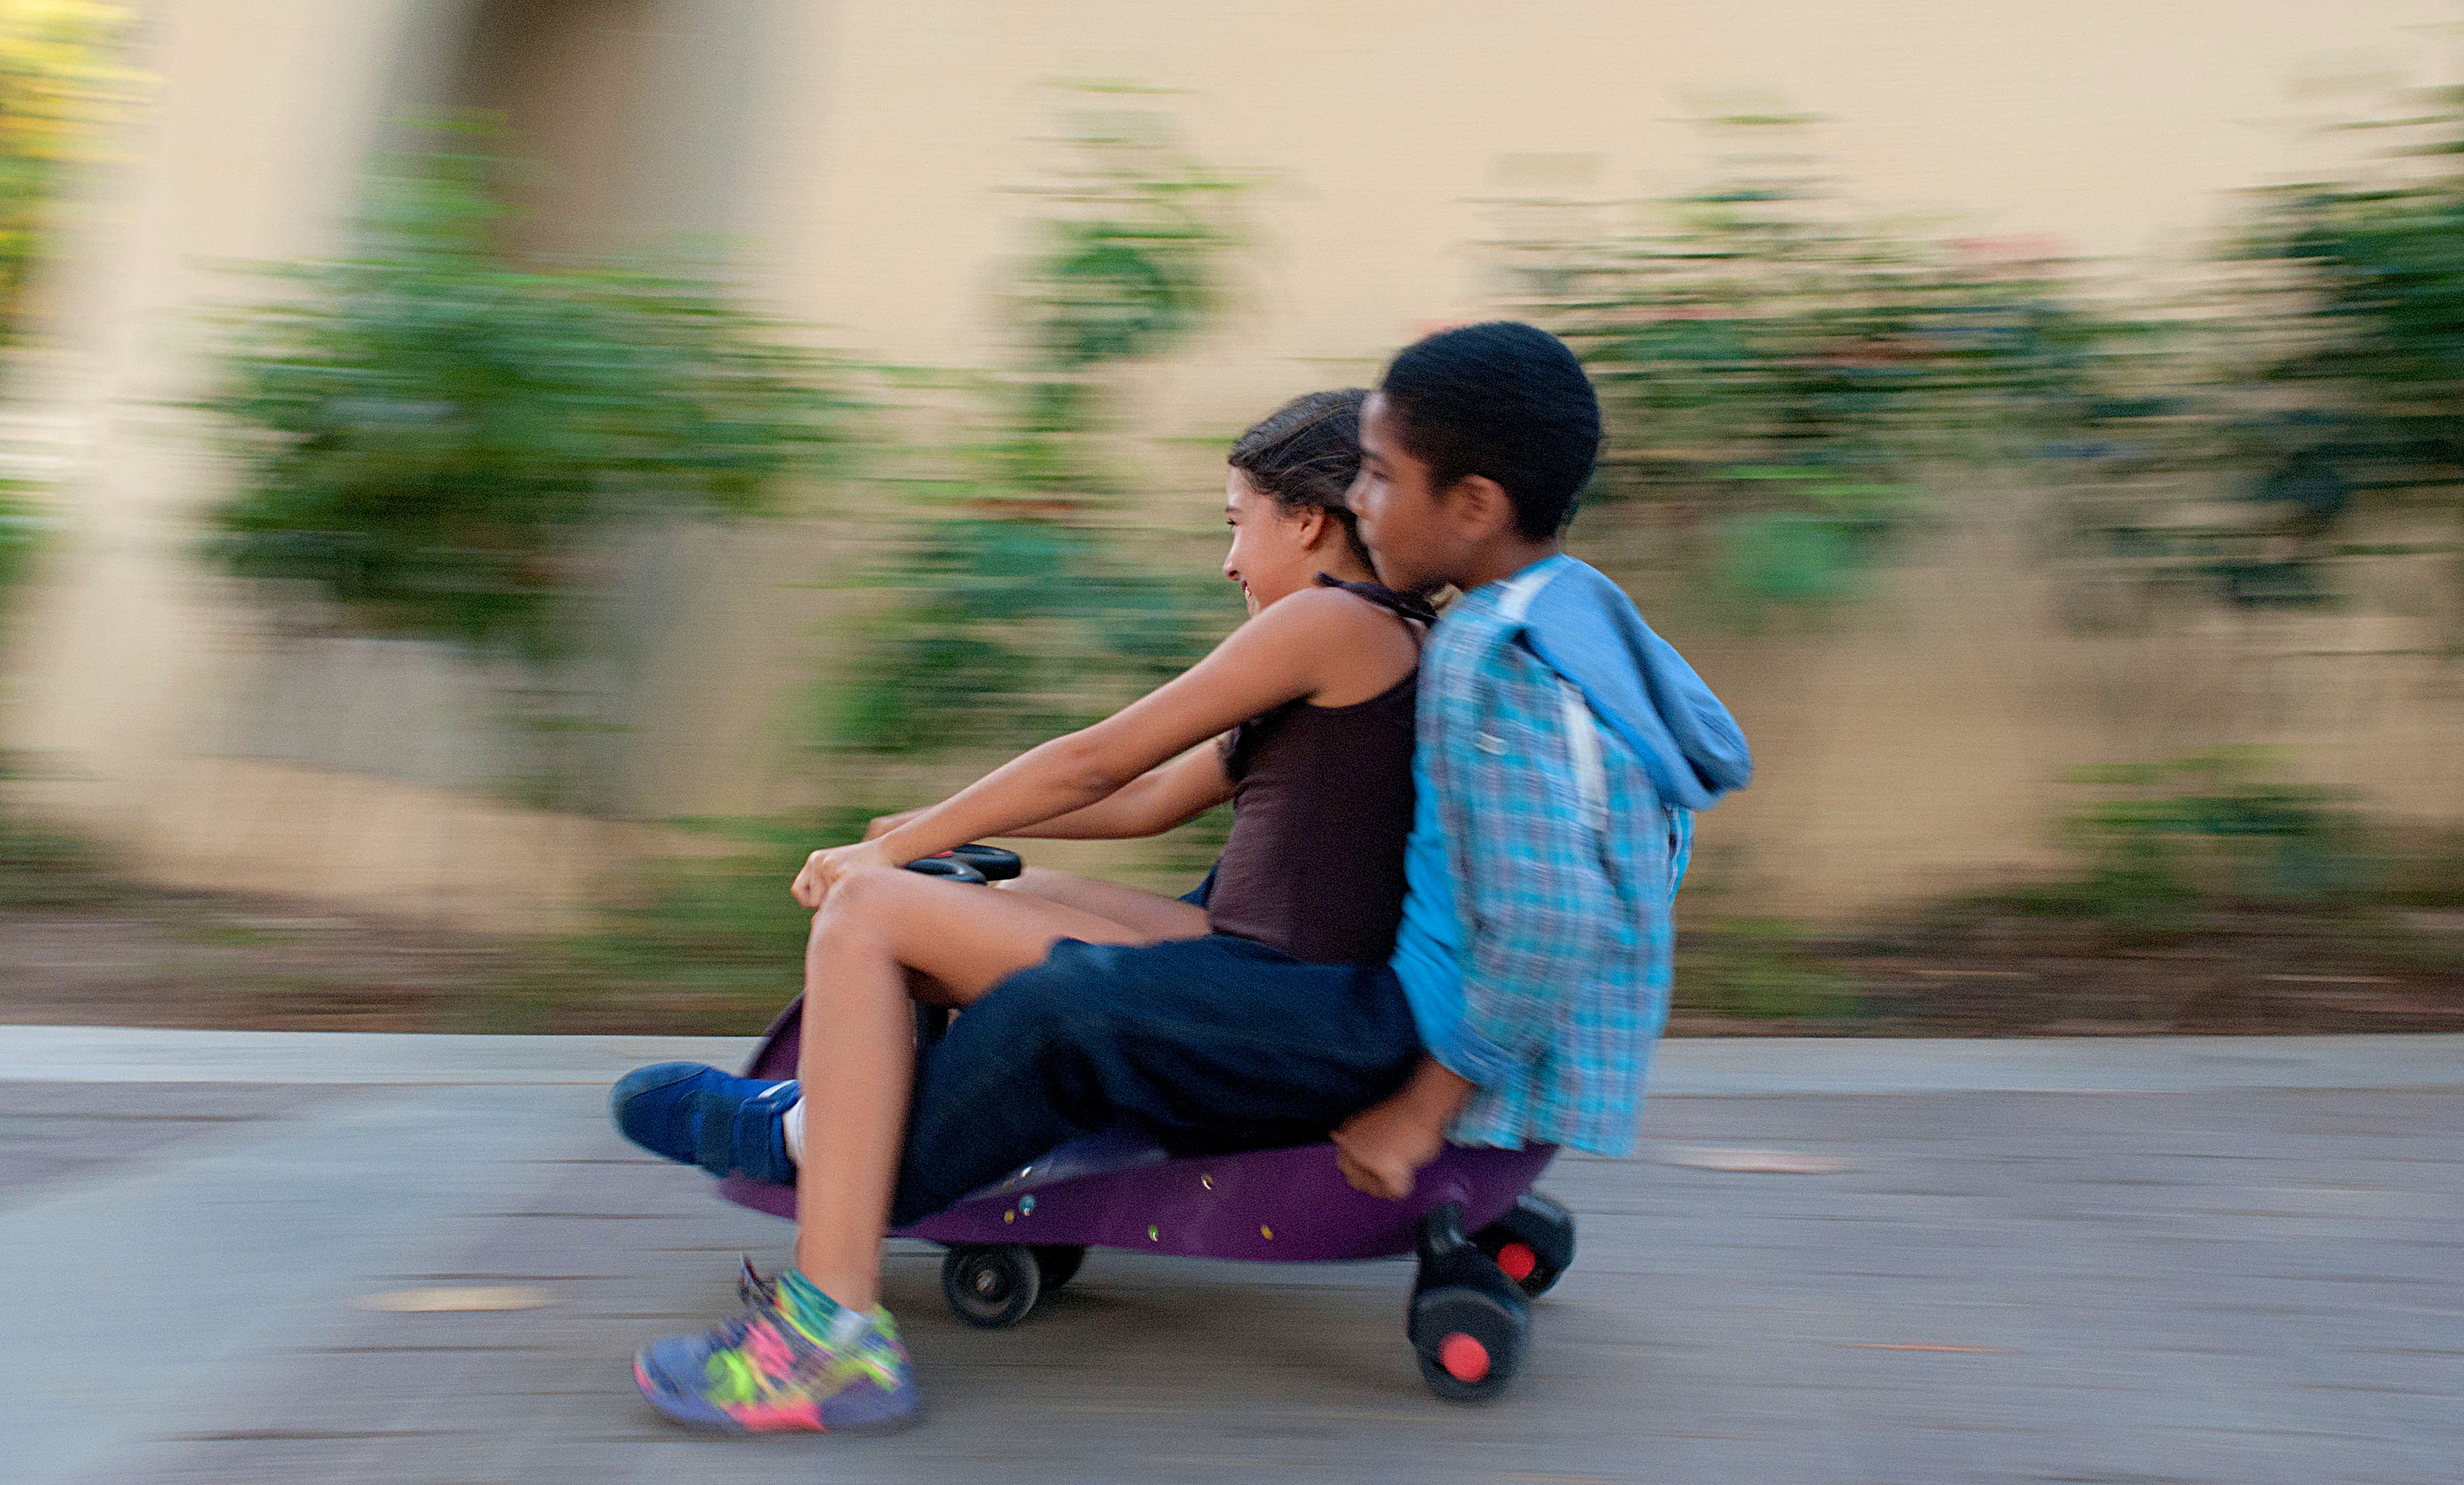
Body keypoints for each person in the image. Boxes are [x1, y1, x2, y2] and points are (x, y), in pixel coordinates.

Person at [618, 388, 1437, 1433]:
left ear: (1310, 521)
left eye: (1238, 524)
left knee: (866, 909)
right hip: (1265, 969)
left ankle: (829, 1328)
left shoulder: (1331, 621)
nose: (1229, 561)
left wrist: (889, 854)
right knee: (957, 890)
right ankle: (832, 1127)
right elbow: (1149, 798)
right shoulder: (1372, 635)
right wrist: (924, 827)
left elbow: (1099, 762)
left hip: (1288, 1004)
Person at [1320, 321, 1751, 1203]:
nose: (1355, 500)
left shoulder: (1491, 655)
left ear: (1475, 507)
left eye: (1379, 474)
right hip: (1568, 1046)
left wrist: (1421, 1112)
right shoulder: (1577, 605)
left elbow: (1549, 918)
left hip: (1479, 1063)